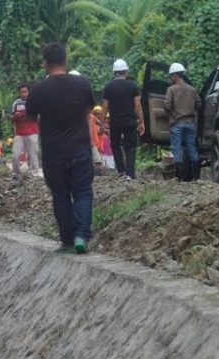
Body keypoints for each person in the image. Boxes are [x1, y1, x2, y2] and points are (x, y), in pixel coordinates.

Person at [25, 42, 96, 254]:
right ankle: (81, 236)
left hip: (53, 153)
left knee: (61, 195)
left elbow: (31, 115)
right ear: (65, 60)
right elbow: (89, 108)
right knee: (83, 193)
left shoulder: (38, 89)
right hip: (80, 149)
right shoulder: (82, 83)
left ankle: (66, 241)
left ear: (46, 64)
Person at [100, 59, 145, 180]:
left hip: (115, 122)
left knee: (115, 145)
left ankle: (121, 171)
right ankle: (130, 174)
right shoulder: (132, 86)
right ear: (125, 71)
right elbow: (138, 106)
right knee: (130, 147)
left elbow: (105, 107)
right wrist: (141, 122)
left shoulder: (109, 87)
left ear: (114, 72)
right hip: (130, 121)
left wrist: (102, 123)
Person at [164, 62, 201, 181]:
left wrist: (173, 112)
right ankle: (196, 177)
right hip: (190, 123)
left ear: (175, 75)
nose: (170, 78)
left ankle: (179, 177)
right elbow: (199, 105)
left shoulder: (171, 89)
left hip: (176, 123)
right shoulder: (192, 89)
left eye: (170, 76)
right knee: (191, 148)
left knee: (177, 149)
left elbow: (167, 106)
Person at [11, 84, 41, 179]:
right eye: (21, 92)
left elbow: (40, 117)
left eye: (25, 91)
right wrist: (15, 116)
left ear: (29, 92)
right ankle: (16, 174)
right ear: (19, 93)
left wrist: (31, 115)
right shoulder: (16, 103)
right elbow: (11, 118)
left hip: (32, 132)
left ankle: (34, 175)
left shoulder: (35, 102)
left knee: (33, 154)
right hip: (19, 133)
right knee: (15, 155)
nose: (23, 94)